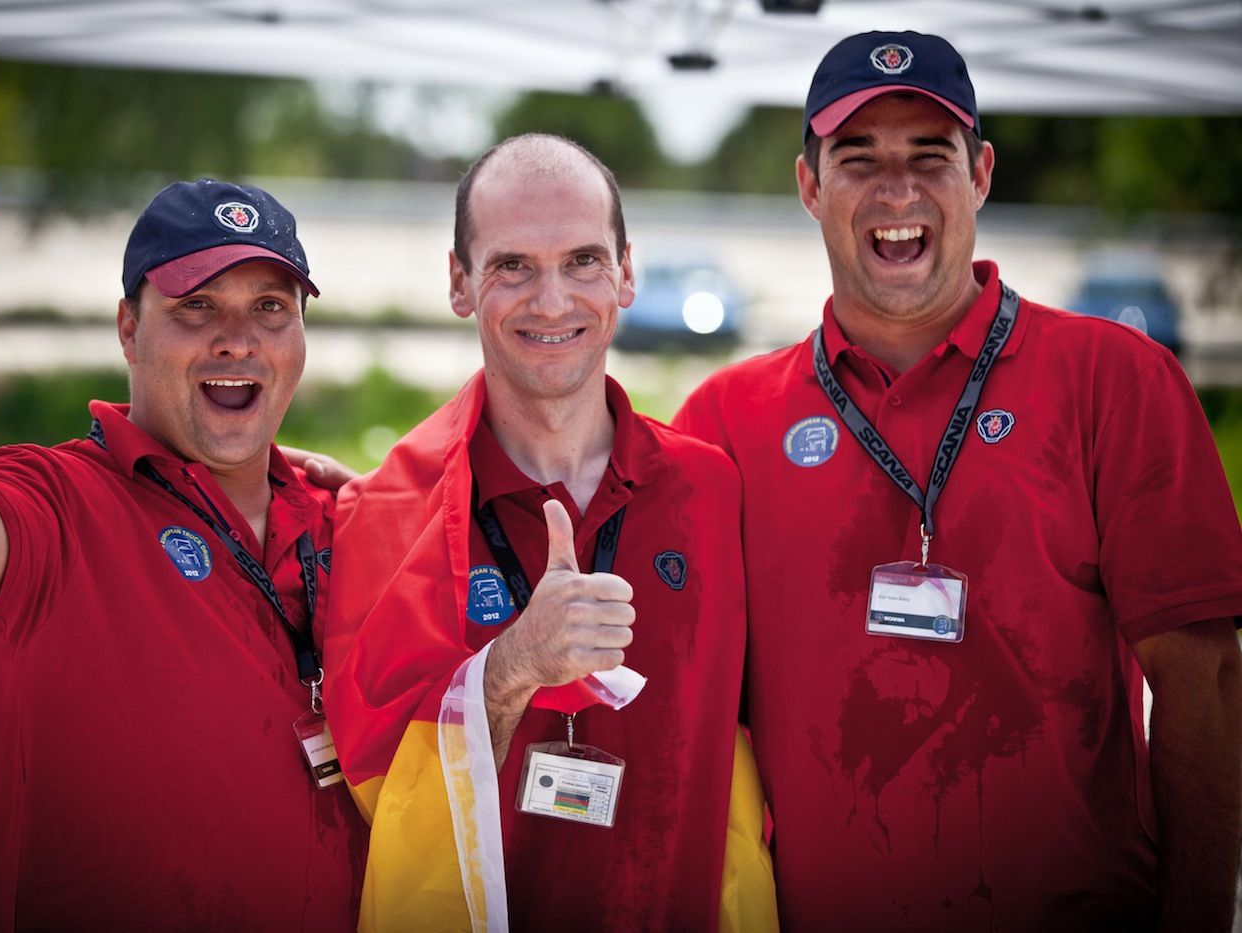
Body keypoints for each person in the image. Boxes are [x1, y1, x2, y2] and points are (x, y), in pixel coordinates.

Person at [673, 30, 1242, 933]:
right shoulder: (723, 420)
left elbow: (1204, 677)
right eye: (858, 159)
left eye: (928, 157)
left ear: (979, 174)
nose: (896, 191)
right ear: (810, 188)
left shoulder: (1115, 380)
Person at [0, 136, 365, 931]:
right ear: (129, 330)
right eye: (196, 306)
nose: (237, 337)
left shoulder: (338, 514)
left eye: (270, 307)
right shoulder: (62, 501)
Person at [323, 134, 775, 931]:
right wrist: (511, 666)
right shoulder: (389, 509)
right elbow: (379, 790)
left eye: (583, 260)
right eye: (512, 266)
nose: (554, 300)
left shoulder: (712, 488)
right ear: (460, 281)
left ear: (626, 272)